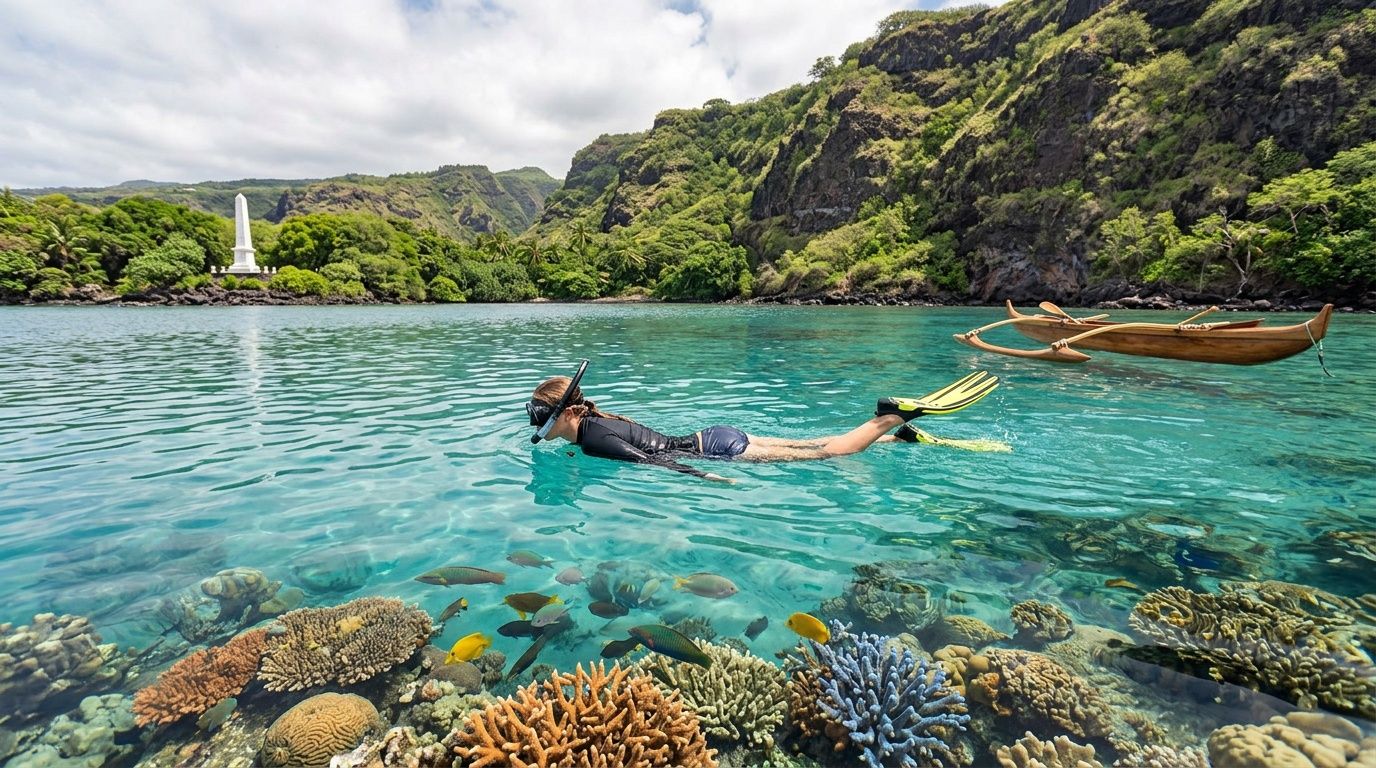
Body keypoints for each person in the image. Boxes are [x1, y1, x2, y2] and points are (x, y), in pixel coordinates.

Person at [525, 361, 1001, 481]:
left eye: (545, 416)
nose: (541, 425)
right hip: (717, 433)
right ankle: (901, 440)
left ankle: (889, 418)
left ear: (568, 412)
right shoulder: (594, 426)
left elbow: (654, 462)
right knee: (816, 443)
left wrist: (707, 478)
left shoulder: (594, 441)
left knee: (828, 455)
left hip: (717, 451)